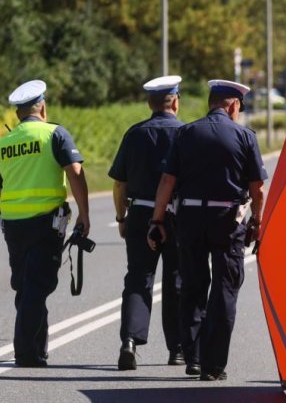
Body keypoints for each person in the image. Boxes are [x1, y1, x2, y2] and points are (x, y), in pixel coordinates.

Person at [149, 79, 267, 382]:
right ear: (233, 105)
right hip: (228, 220)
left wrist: (157, 220)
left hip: (189, 217)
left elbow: (167, 182)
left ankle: (195, 358)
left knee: (192, 285)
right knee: (225, 288)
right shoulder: (244, 136)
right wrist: (257, 221)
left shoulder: (186, 132)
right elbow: (258, 189)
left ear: (211, 102)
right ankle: (214, 365)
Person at [0, 79, 90, 367]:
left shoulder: (3, 143)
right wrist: (84, 215)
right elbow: (75, 172)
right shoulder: (54, 134)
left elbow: (0, 187)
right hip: (45, 223)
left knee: (26, 285)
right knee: (38, 285)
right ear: (43, 107)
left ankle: (37, 349)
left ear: (17, 114)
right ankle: (24, 350)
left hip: (12, 224)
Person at [110, 75, 186, 370]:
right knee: (176, 279)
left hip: (141, 214)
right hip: (177, 215)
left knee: (138, 278)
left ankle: (129, 341)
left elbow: (119, 184)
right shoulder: (186, 133)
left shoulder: (135, 134)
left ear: (149, 104)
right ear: (176, 102)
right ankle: (177, 349)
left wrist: (121, 217)